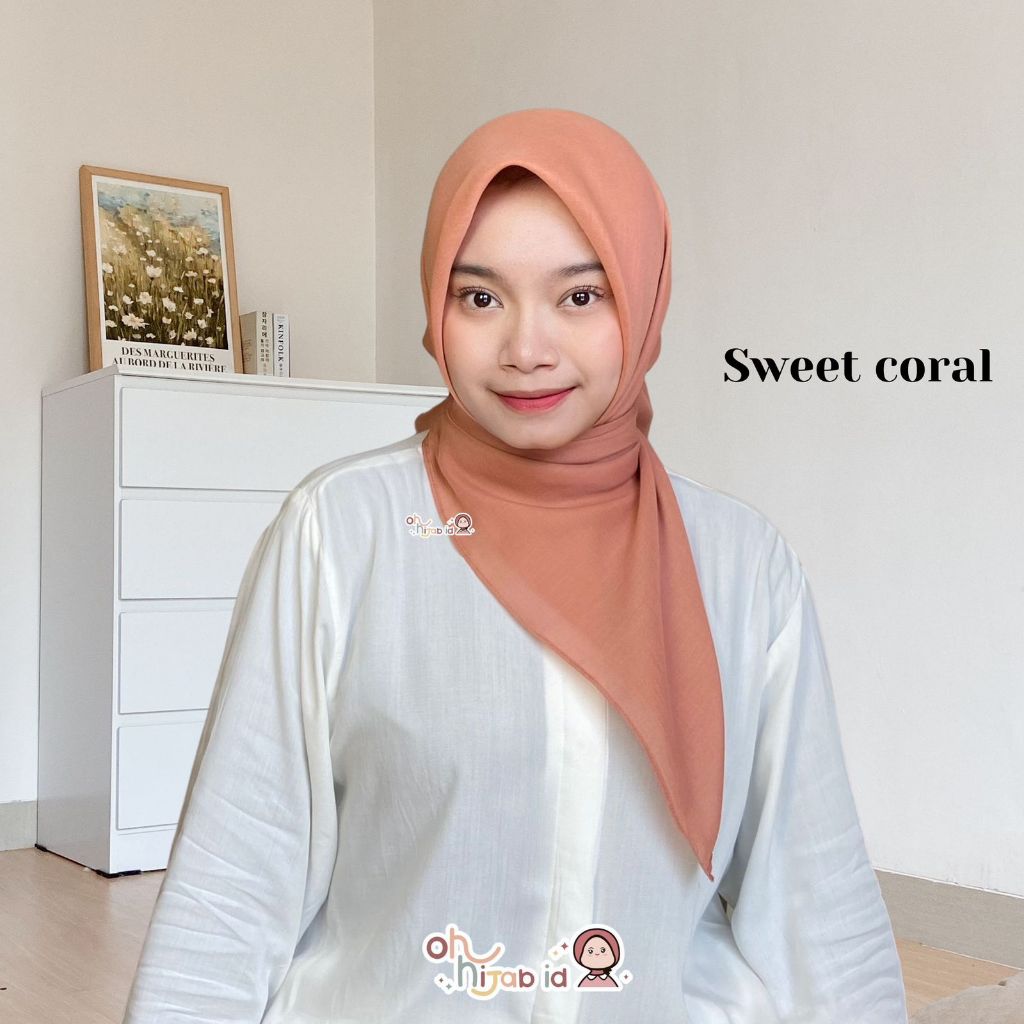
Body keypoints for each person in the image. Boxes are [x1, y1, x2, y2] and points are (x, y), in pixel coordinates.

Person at [120, 108, 909, 1023]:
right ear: (436, 305)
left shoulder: (742, 565)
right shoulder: (340, 534)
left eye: (581, 297)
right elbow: (234, 881)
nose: (527, 350)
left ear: (643, 298)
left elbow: (816, 898)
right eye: (480, 298)